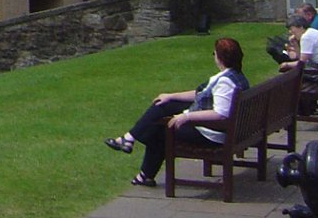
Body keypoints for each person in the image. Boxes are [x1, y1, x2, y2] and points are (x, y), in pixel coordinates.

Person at [104, 36, 247, 188]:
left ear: (220, 58)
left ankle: (143, 171)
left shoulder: (225, 82)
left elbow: (220, 114)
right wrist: (171, 96)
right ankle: (129, 140)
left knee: (158, 131)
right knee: (164, 104)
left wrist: (186, 117)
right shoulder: (234, 76)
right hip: (223, 128)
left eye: (214, 54)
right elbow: (201, 94)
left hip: (212, 134)